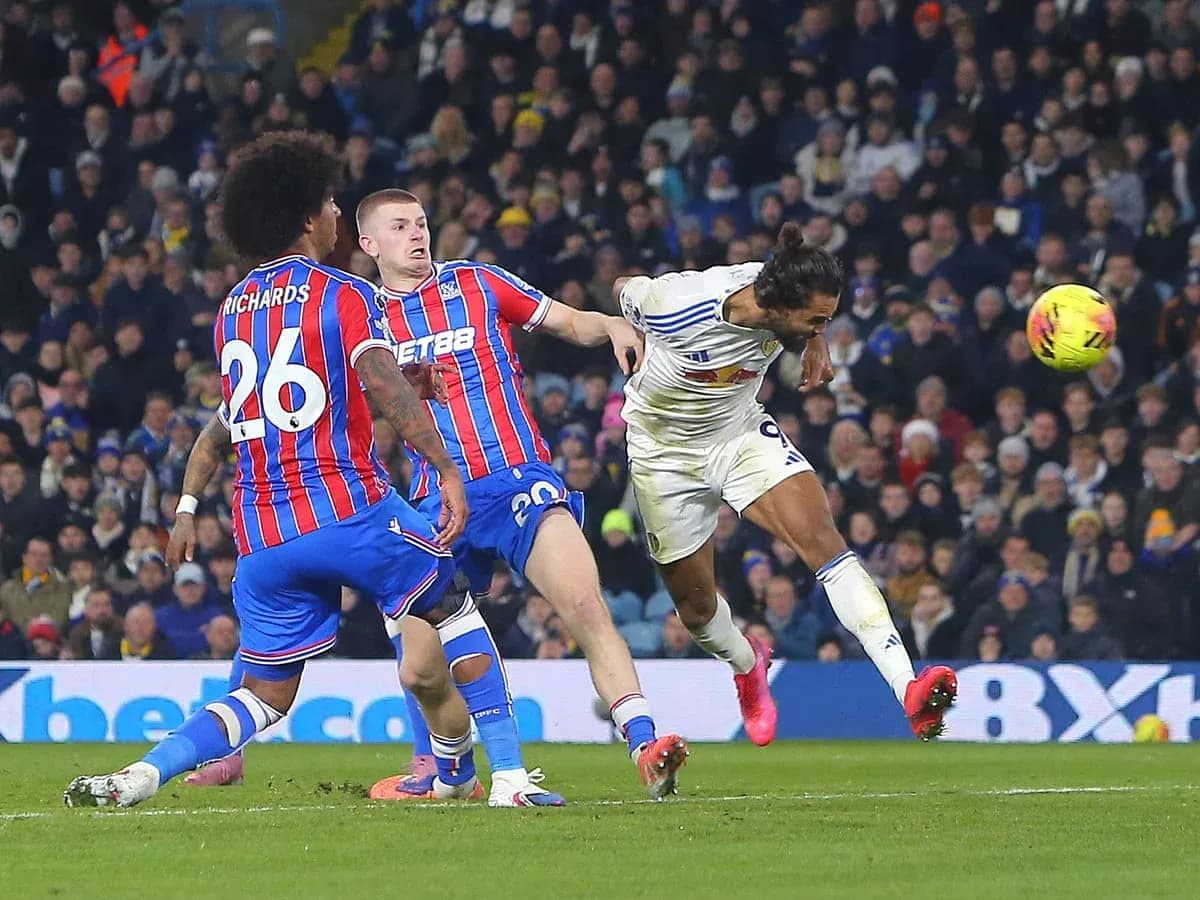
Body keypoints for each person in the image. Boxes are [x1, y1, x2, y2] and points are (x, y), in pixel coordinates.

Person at [64, 131, 472, 809]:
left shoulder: (232, 312)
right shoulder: (341, 291)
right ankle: (489, 771)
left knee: (262, 695)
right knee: (455, 606)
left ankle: (143, 775)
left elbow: (226, 424)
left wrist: (187, 509)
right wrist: (445, 466)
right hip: (348, 509)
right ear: (309, 218)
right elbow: (379, 386)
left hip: (264, 535)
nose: (340, 214)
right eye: (334, 204)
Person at [354, 188, 687, 802]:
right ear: (370, 245)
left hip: (516, 480)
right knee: (421, 672)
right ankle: (452, 774)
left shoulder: (477, 284)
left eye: (423, 223)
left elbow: (567, 320)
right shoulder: (359, 319)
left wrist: (612, 324)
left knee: (585, 603)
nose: (417, 235)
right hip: (437, 503)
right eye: (400, 227)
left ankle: (644, 742)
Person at [615, 223, 957, 742]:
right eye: (817, 320)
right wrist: (618, 327)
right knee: (698, 611)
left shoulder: (788, 307)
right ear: (779, 304)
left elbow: (807, 324)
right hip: (664, 455)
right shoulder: (679, 303)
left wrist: (814, 339)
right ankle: (746, 663)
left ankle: (909, 689)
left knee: (825, 542)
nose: (825, 328)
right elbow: (624, 288)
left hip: (738, 433)